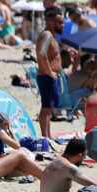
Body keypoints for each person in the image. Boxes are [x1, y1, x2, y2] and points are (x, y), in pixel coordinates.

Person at [36, 8, 64, 139]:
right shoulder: (47, 34)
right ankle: (45, 137)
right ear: (50, 21)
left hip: (49, 76)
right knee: (46, 109)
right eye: (59, 22)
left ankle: (48, 136)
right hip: (46, 76)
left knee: (48, 109)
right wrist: (50, 72)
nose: (62, 25)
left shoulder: (51, 36)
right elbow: (41, 54)